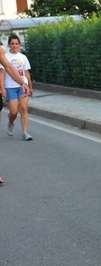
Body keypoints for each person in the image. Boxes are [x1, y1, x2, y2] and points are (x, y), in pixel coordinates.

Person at [0, 36, 30, 184]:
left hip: (14, 87)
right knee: (13, 111)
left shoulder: (0, 51)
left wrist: (22, 83)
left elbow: (9, 68)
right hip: (8, 89)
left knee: (21, 109)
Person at [0, 34, 34, 141]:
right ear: (9, 45)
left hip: (21, 86)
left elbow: (25, 72)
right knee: (14, 112)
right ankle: (11, 123)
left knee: (23, 109)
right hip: (9, 86)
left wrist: (27, 85)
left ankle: (25, 132)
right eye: (12, 44)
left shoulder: (22, 57)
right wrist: (3, 88)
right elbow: (2, 73)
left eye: (16, 43)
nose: (14, 46)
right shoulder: (5, 55)